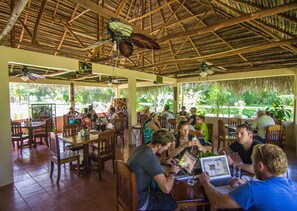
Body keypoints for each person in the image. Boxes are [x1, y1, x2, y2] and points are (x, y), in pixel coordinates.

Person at [199, 144, 297, 210]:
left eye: (253, 162)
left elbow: (216, 202)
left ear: (260, 166)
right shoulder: (294, 185)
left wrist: (205, 182)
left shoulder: (252, 189)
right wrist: (245, 183)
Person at [127, 129, 180, 210]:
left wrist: (164, 161)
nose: (166, 149)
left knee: (157, 188)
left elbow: (145, 161)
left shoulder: (142, 148)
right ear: (159, 145)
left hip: (128, 193)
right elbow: (166, 189)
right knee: (174, 201)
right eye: (166, 146)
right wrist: (172, 172)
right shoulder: (151, 158)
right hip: (139, 200)